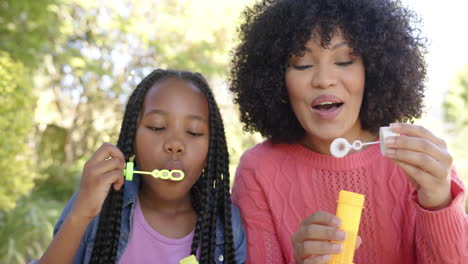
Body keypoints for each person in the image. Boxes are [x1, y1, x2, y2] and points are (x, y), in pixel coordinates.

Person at [228, 0, 468, 263]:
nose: (324, 79)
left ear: (373, 70)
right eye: (302, 64)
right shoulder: (258, 170)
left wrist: (438, 204)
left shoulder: (418, 159)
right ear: (276, 80)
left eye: (344, 61)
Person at [36, 69, 247, 264]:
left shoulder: (228, 225)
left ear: (212, 151)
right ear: (132, 139)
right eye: (157, 127)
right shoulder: (96, 204)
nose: (174, 145)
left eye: (193, 132)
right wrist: (80, 214)